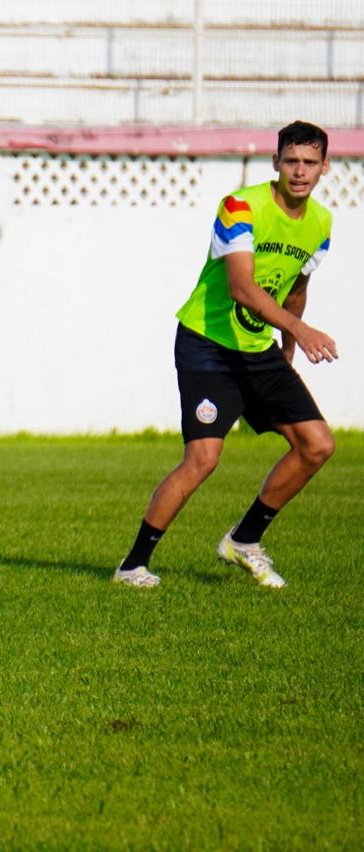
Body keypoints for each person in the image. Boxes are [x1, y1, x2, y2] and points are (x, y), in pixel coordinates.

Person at [113, 120, 337, 590]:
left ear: (325, 167)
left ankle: (243, 540)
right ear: (275, 163)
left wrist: (288, 354)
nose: (299, 171)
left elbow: (297, 288)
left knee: (316, 445)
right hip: (208, 344)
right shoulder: (240, 206)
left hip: (259, 348)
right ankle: (132, 565)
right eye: (291, 161)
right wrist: (298, 328)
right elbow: (240, 286)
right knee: (204, 458)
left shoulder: (321, 224)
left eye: (309, 163)